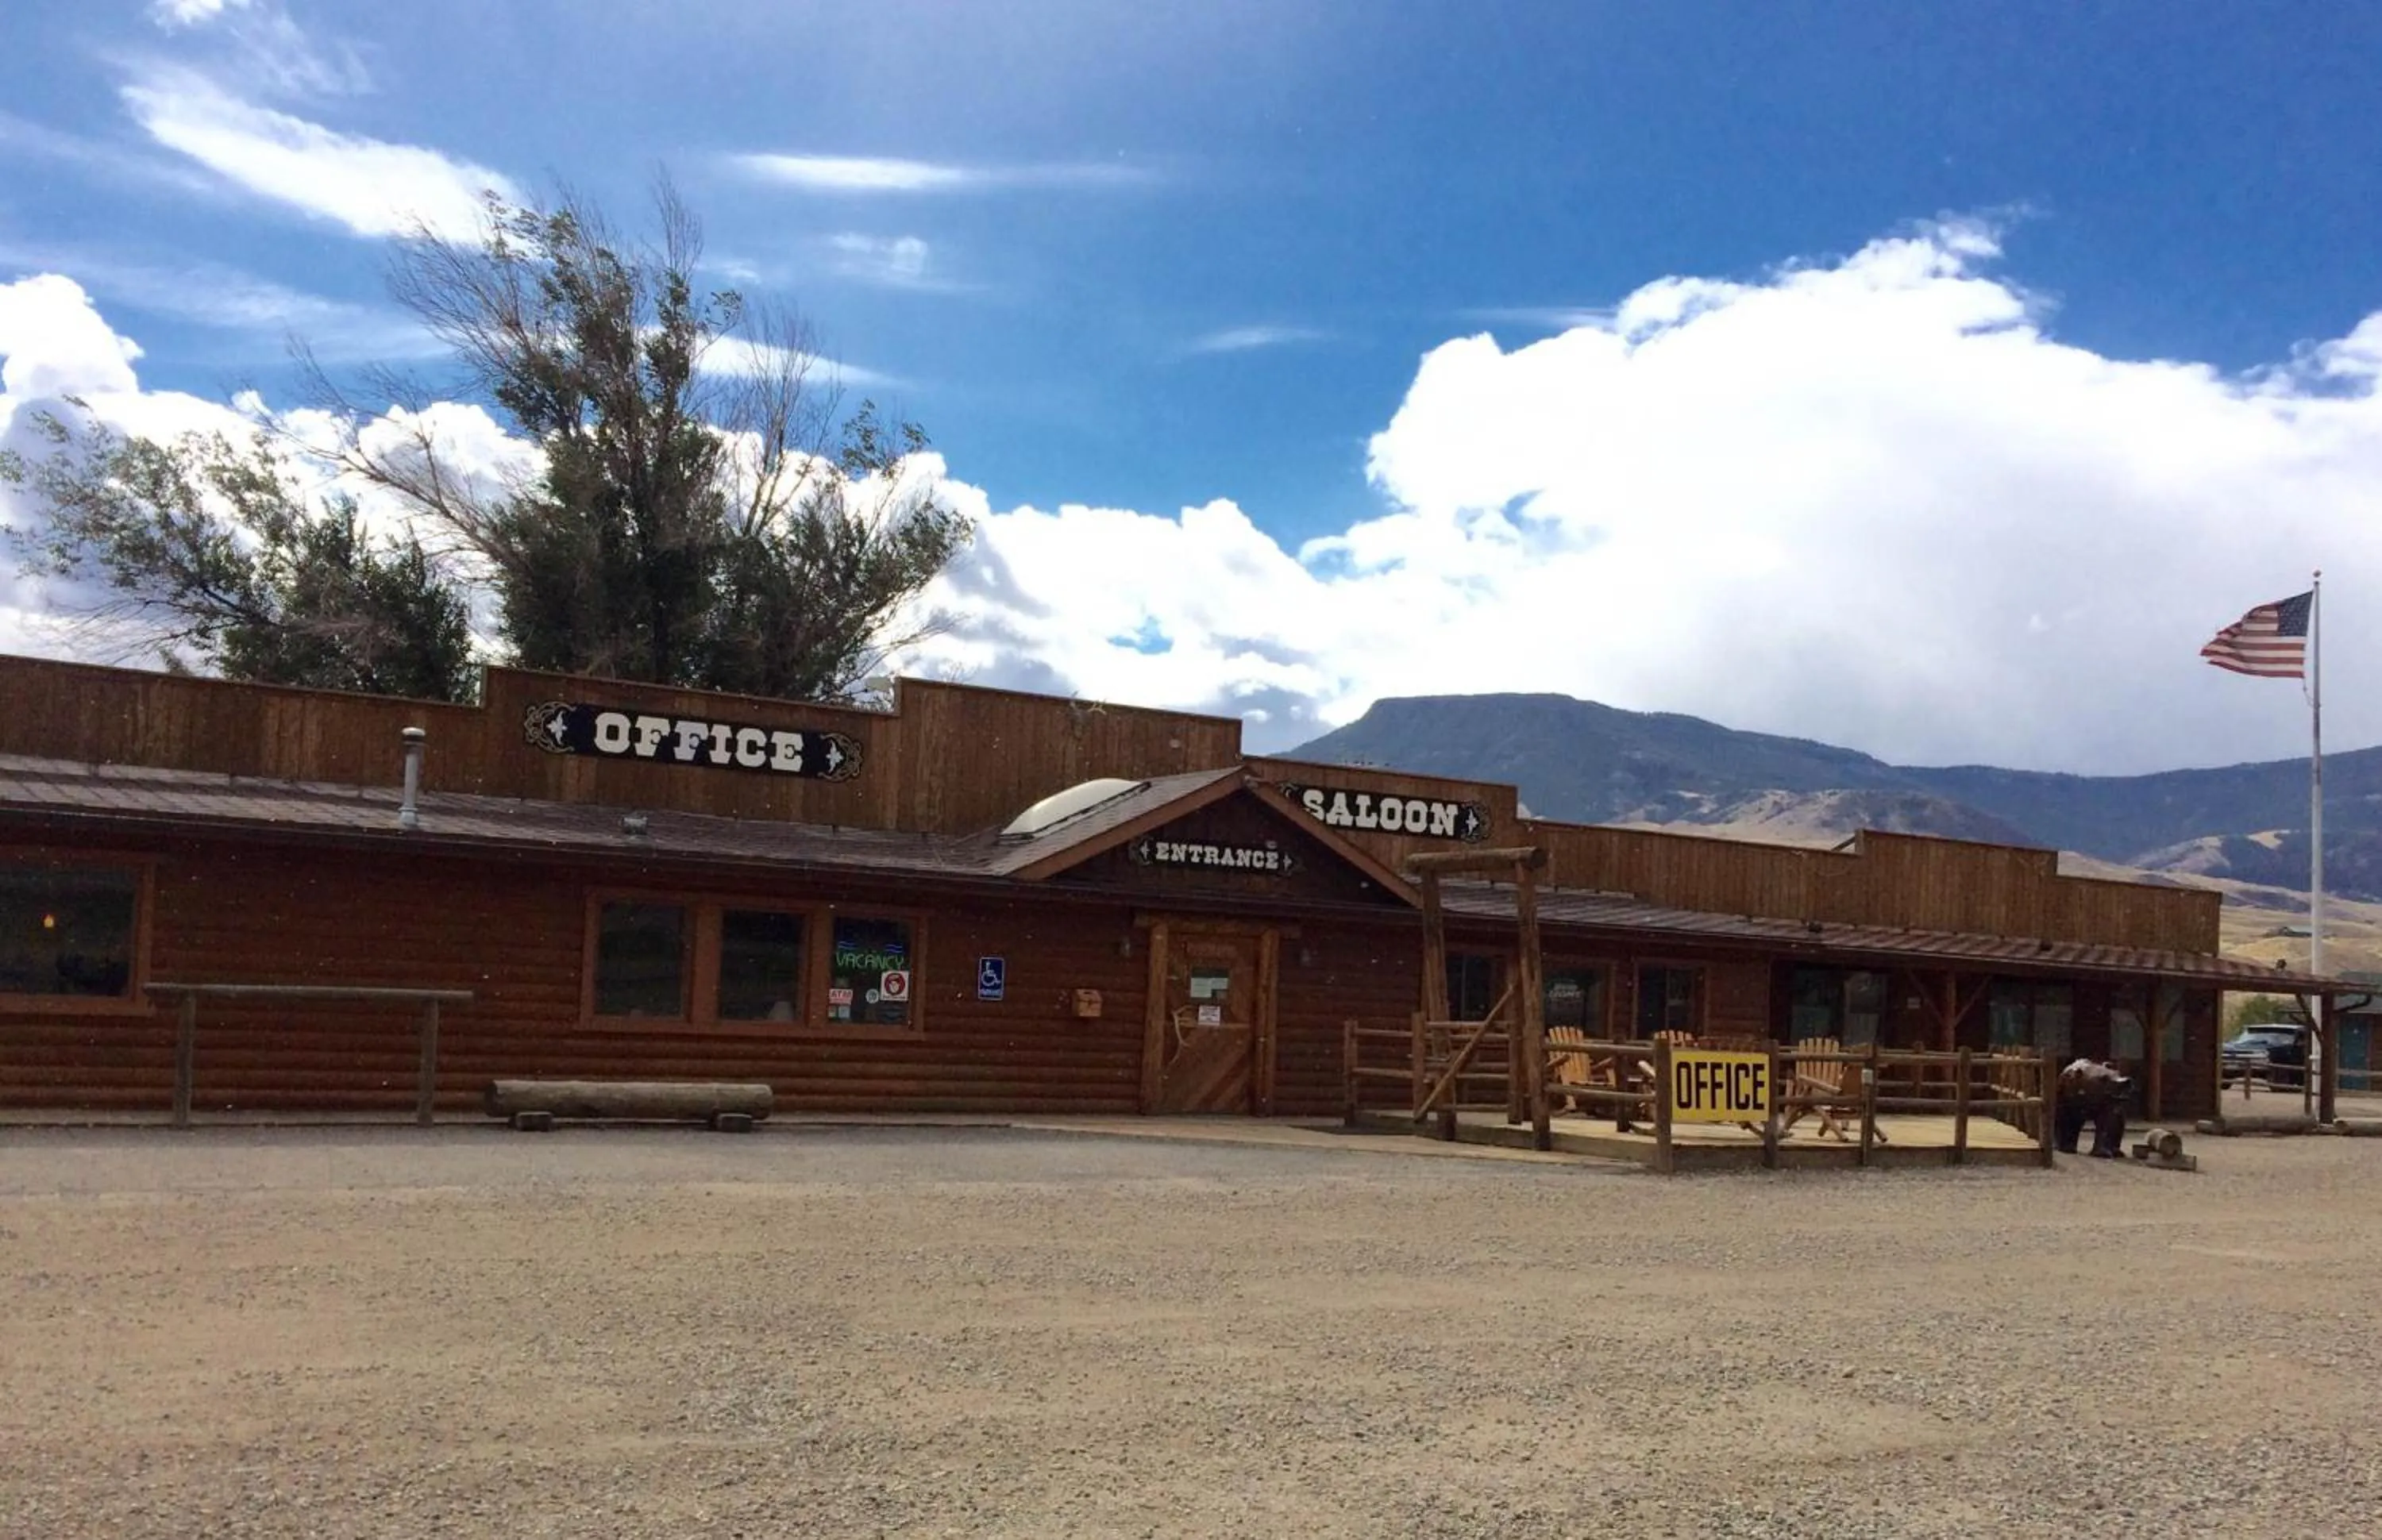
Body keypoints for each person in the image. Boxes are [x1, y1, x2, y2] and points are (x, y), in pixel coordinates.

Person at [2055, 1057, 2132, 1158]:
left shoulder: (2106, 1093)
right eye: (2104, 1080)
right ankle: (2067, 1143)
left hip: (2094, 1095)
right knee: (2069, 1120)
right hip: (2077, 1096)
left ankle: (2106, 1146)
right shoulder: (2073, 1079)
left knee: (2113, 1116)